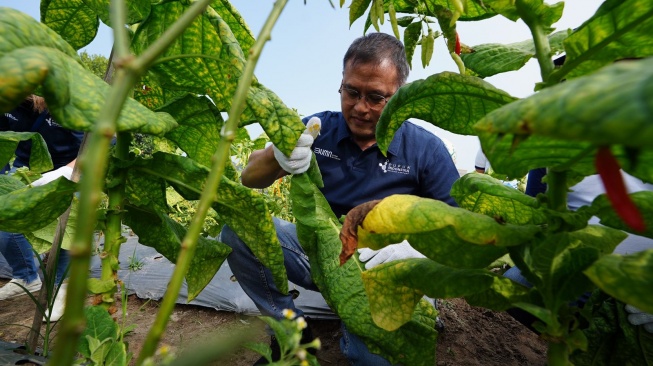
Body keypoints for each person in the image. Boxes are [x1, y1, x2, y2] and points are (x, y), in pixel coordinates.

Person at [220, 33, 460, 365]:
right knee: (238, 229)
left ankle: (390, 319)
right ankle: (291, 333)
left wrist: (415, 249)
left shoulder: (424, 149)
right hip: (325, 254)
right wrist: (278, 155)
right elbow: (250, 177)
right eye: (352, 92)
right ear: (342, 84)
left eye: (376, 97)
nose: (360, 108)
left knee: (376, 358)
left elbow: (458, 222)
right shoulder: (320, 130)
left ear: (399, 98)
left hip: (388, 270)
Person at [505, 168, 653, 333]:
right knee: (516, 284)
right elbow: (534, 216)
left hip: (642, 286)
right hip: (571, 271)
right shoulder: (555, 155)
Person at [0, 95, 82, 322]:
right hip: (26, 168)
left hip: (70, 170)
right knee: (4, 213)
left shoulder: (70, 101)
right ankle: (26, 276)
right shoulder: (8, 98)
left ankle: (62, 287)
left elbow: (100, 145)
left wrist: (64, 173)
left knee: (66, 226)